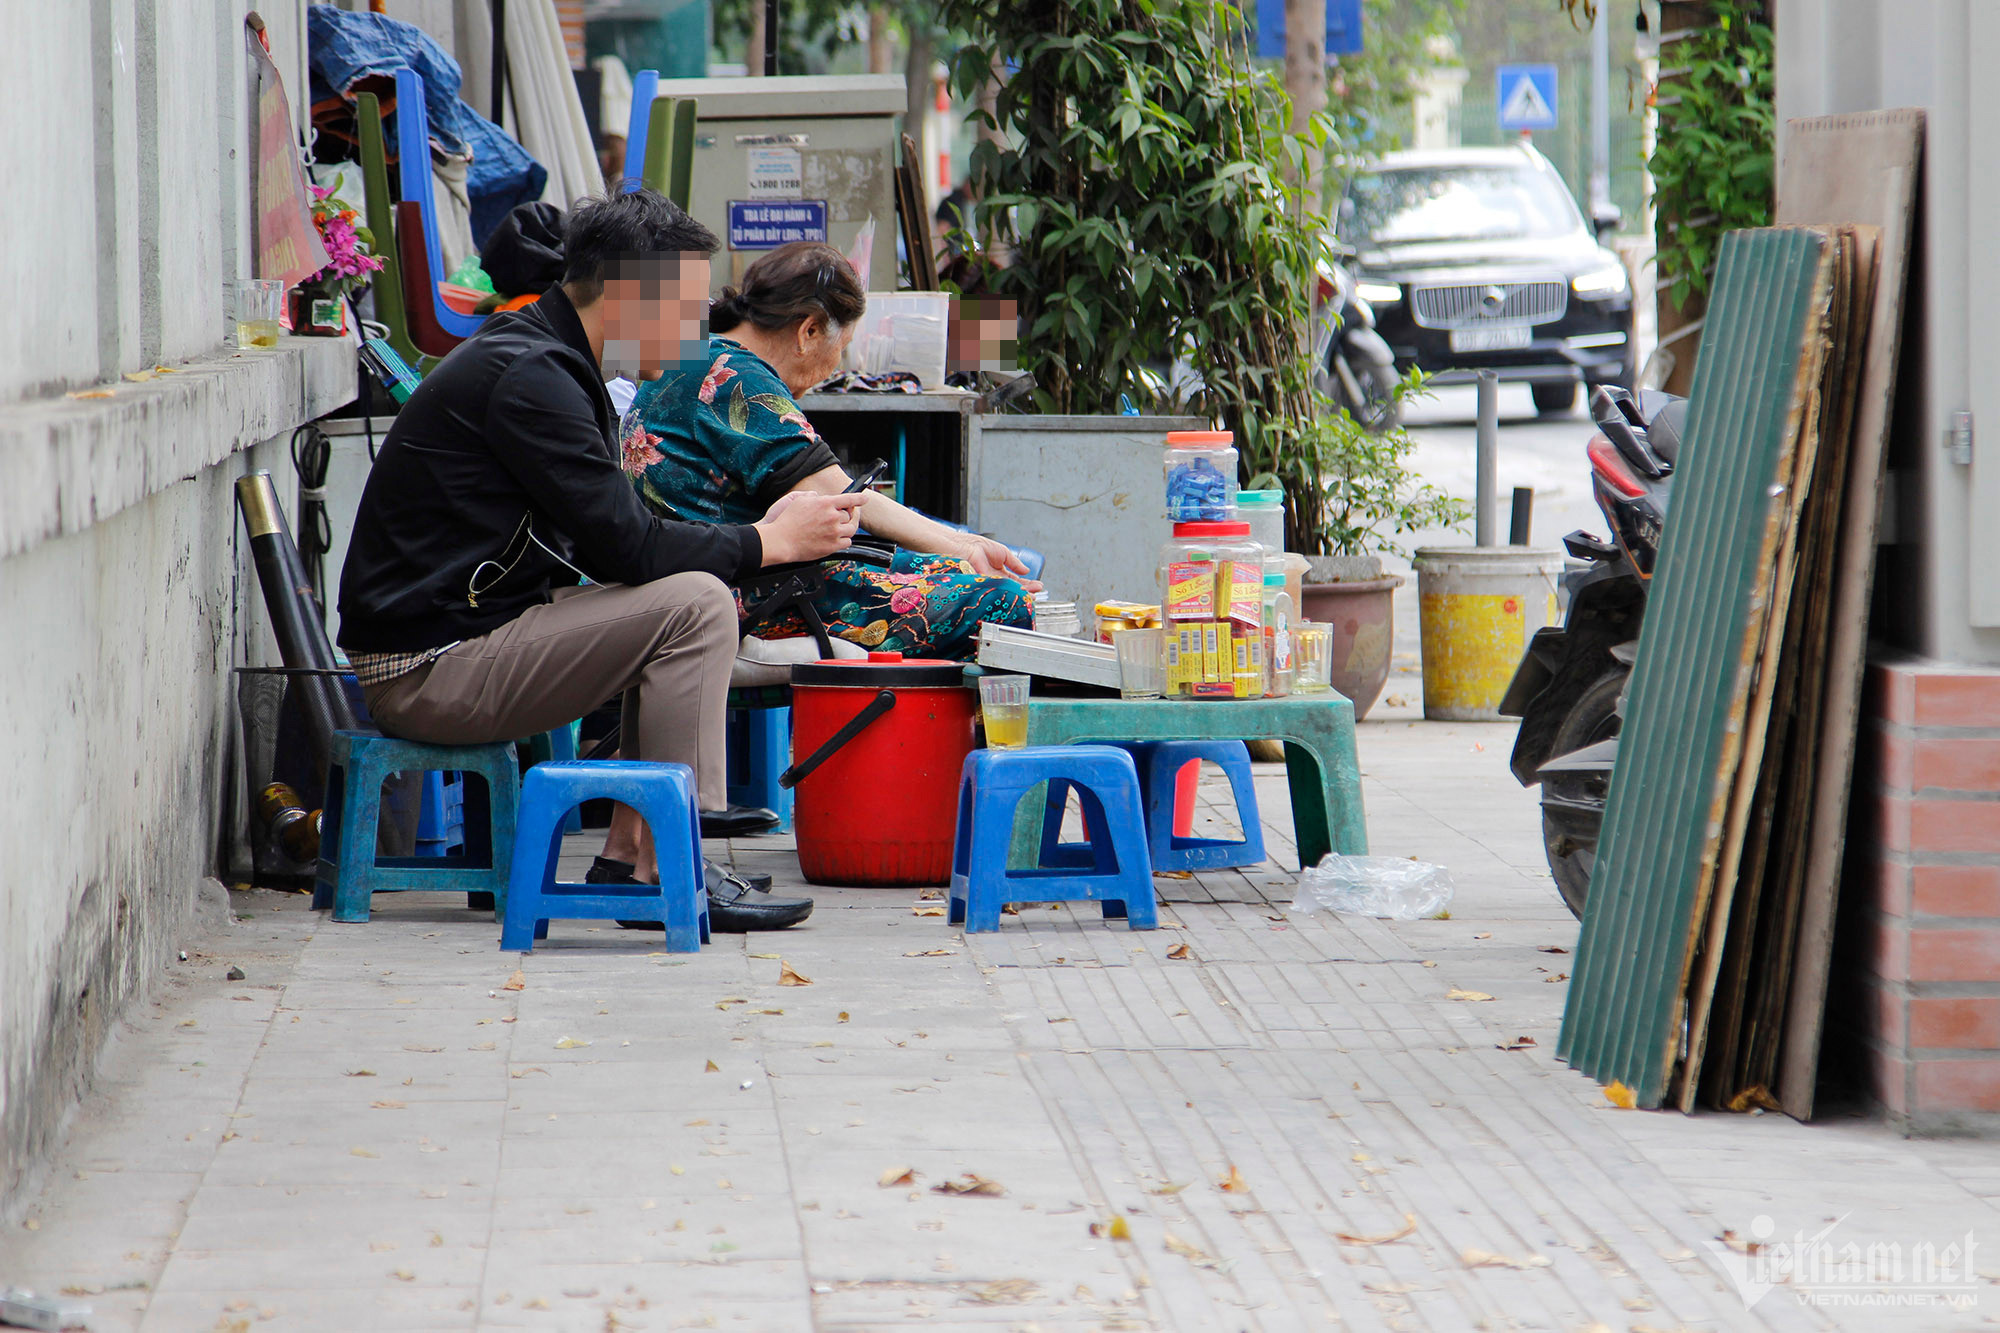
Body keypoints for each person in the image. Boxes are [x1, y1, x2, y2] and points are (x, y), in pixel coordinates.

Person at [337, 190, 867, 931]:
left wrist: (760, 533)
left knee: (685, 599)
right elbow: (630, 547)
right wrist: (771, 540)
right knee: (697, 605)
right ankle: (677, 862)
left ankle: (631, 860)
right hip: (429, 668)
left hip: (471, 634)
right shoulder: (532, 376)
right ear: (624, 297)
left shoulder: (550, 360)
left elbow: (617, 542)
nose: (696, 332)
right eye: (685, 310)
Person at [623, 241, 1038, 659]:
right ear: (808, 331)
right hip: (749, 595)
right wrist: (964, 546)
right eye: (841, 347)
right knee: (1003, 603)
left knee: (962, 572)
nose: (835, 367)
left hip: (733, 577)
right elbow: (840, 492)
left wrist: (963, 549)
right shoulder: (734, 377)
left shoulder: (701, 353)